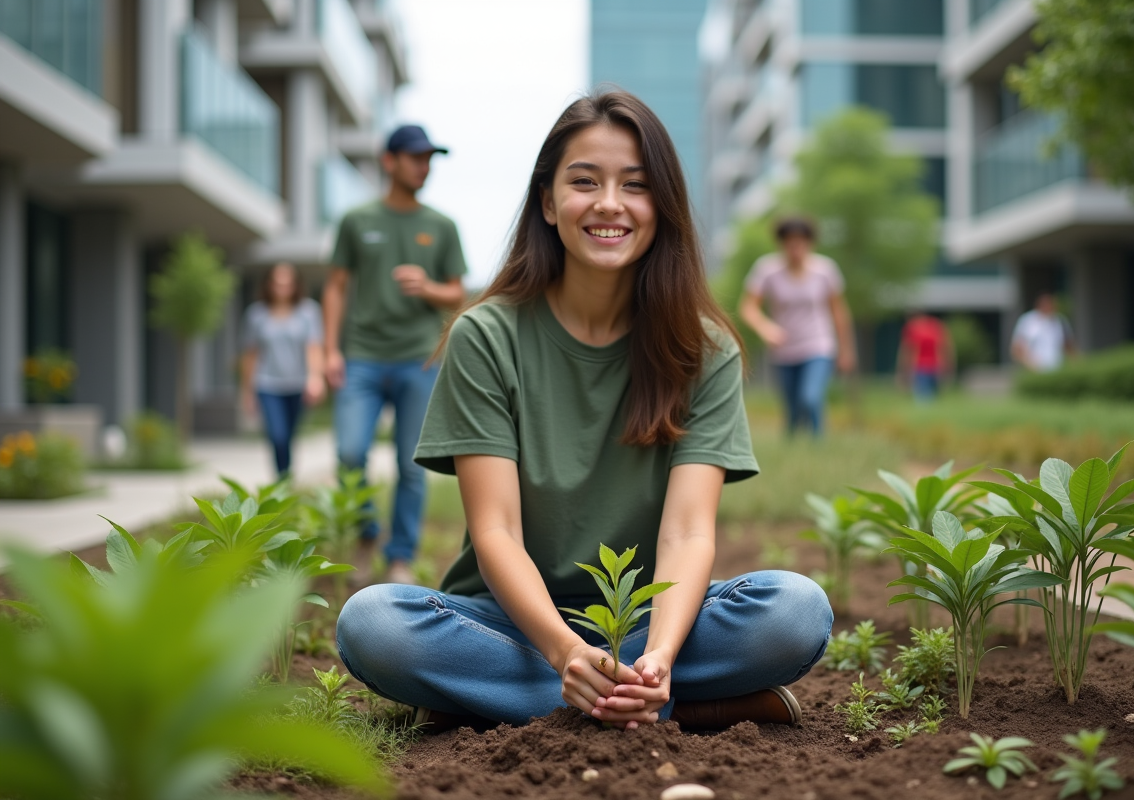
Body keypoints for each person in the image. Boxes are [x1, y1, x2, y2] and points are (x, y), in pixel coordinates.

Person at [336, 91, 832, 733]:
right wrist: (565, 650)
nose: (608, 203)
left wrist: (658, 657)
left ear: (663, 206)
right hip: (508, 620)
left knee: (794, 611)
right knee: (374, 623)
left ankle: (501, 699)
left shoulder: (702, 349)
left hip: (650, 618)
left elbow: (687, 534)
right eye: (584, 181)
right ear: (548, 201)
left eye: (636, 184)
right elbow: (496, 534)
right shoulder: (486, 336)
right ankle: (694, 706)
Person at [322, 124, 467, 586]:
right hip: (362, 357)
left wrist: (428, 287)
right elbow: (337, 286)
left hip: (418, 360)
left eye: (429, 159)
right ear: (389, 162)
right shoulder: (357, 220)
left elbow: (457, 294)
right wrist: (329, 350)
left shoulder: (442, 226)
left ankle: (400, 555)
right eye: (415, 158)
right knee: (349, 454)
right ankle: (367, 536)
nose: (424, 167)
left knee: (411, 465)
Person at [738, 218, 856, 436]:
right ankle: (795, 451)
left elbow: (839, 312)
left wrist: (846, 350)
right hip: (784, 349)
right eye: (790, 244)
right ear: (781, 244)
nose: (796, 249)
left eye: (801, 243)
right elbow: (747, 307)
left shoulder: (825, 270)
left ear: (810, 243)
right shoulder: (767, 270)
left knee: (810, 398)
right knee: (792, 410)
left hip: (818, 345)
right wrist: (765, 328)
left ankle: (819, 447)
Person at [240, 263, 325, 476]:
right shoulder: (256, 314)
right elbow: (251, 354)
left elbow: (313, 347)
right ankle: (282, 478)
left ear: (296, 285)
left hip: (298, 384)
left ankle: (285, 480)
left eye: (287, 283)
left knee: (288, 436)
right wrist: (247, 391)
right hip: (267, 384)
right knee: (277, 435)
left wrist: (315, 378)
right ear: (268, 285)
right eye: (278, 283)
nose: (282, 288)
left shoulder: (308, 311)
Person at [896, 311, 955, 401]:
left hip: (920, 367)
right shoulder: (936, 325)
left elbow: (907, 350)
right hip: (935, 366)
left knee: (923, 398)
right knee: (932, 396)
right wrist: (948, 365)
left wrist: (903, 370)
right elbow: (946, 347)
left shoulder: (912, 328)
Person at [1011, 292, 1075, 372]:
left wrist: (1074, 364)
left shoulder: (1060, 321)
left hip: (1057, 371)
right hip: (1033, 370)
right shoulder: (1027, 321)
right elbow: (1017, 349)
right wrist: (1030, 364)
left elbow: (1069, 346)